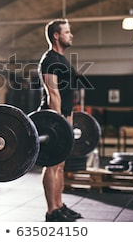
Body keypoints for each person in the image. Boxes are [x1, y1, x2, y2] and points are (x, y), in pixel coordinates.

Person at [37, 18, 83, 222]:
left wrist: (69, 120)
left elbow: (68, 96)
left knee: (61, 165)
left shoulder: (62, 59)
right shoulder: (49, 59)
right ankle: (51, 211)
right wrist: (60, 123)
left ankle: (59, 205)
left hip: (64, 117)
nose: (71, 35)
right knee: (53, 164)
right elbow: (52, 93)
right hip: (52, 120)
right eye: (67, 32)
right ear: (56, 35)